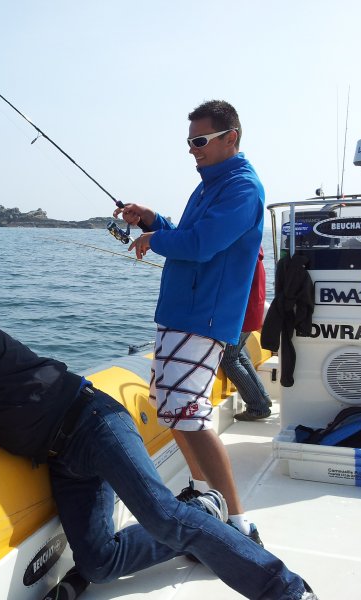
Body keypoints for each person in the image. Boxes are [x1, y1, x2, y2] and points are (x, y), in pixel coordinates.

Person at [0, 287, 318, 599]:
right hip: (63, 456)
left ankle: (287, 590)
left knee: (165, 517)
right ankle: (206, 515)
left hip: (92, 424)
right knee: (100, 563)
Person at [114, 100, 265, 545]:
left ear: (230, 137)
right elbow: (189, 231)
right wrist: (154, 219)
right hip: (182, 314)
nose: (192, 150)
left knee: (190, 415)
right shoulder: (211, 185)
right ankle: (205, 496)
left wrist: (155, 236)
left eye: (200, 141)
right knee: (172, 405)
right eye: (189, 141)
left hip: (203, 319)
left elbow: (201, 244)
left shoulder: (241, 188)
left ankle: (239, 525)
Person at [224, 248, 273, 421]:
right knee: (240, 353)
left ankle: (257, 406)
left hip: (241, 316)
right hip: (253, 312)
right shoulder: (254, 255)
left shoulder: (240, 256)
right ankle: (263, 398)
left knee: (228, 358)